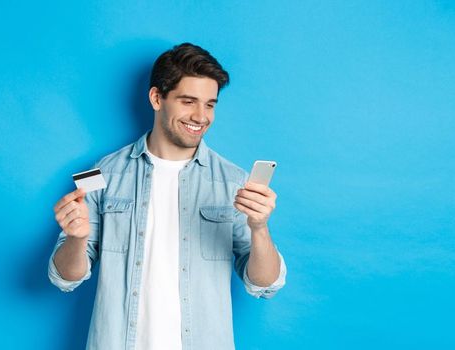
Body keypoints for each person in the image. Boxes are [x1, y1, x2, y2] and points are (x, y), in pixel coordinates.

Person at [48, 42, 287, 350]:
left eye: (210, 104)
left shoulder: (233, 181)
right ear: (157, 98)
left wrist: (259, 228)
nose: (201, 116)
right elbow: (64, 278)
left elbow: (264, 285)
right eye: (188, 101)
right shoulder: (102, 173)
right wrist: (78, 239)